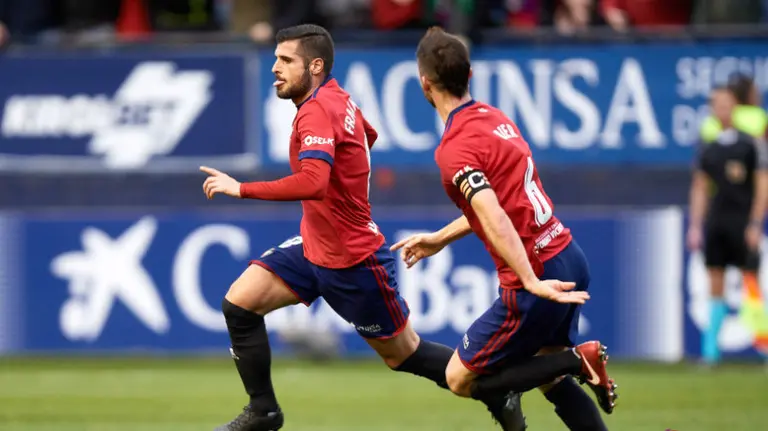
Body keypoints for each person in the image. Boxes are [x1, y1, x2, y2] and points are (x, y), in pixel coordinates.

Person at [200, 24, 575, 431]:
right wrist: (347, 189)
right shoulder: (338, 99)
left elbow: (314, 181)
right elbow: (367, 136)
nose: (275, 68)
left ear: (316, 65)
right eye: (275, 59)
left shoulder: (317, 110)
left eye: (286, 60)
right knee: (240, 303)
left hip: (353, 263)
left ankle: (497, 387)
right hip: (314, 247)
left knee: (405, 355)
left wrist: (241, 188)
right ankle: (263, 412)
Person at [392, 26, 618, 430]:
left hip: (536, 273)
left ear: (424, 83)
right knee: (548, 375)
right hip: (567, 254)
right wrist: (440, 239)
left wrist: (529, 280)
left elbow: (494, 215)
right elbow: (503, 203)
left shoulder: (453, 149)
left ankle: (576, 357)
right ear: (470, 75)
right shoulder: (495, 118)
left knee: (459, 378)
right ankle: (572, 362)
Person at [688, 85, 768, 365]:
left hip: (743, 222)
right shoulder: (709, 148)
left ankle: (764, 346)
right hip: (717, 223)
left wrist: (756, 222)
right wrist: (696, 225)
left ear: (734, 106)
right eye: (715, 104)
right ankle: (711, 353)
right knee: (715, 283)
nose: (720, 109)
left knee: (751, 282)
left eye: (725, 103)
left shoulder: (750, 145)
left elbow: (761, 184)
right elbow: (700, 187)